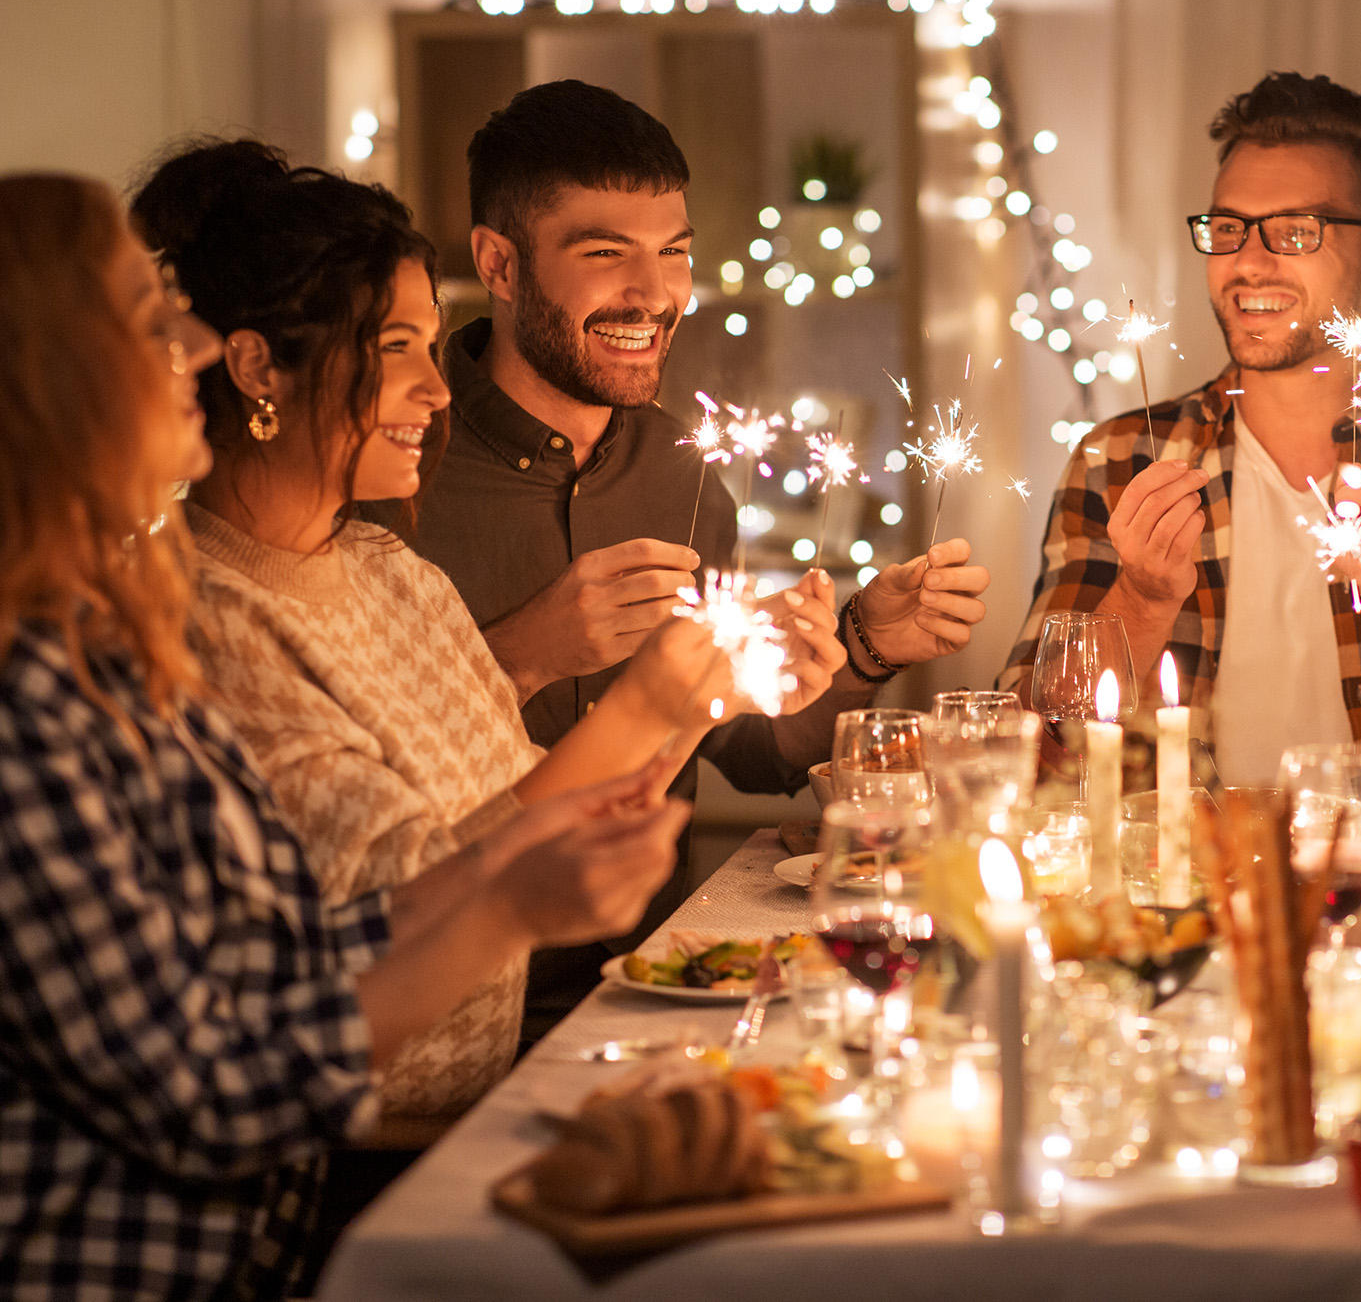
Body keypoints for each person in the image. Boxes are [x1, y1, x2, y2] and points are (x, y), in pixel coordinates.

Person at [0, 171, 694, 1301]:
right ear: (38, 378)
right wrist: (514, 894)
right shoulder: (48, 689)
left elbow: (286, 955)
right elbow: (204, 1089)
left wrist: (692, 706)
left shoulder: (117, 640)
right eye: (142, 316)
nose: (189, 342)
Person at [130, 139, 839, 1125]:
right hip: (364, 1146)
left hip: (501, 1091)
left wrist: (712, 692)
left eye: (431, 344)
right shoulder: (200, 617)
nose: (434, 387)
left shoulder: (391, 572)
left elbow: (537, 807)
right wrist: (642, 702)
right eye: (394, 349)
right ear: (256, 368)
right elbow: (414, 899)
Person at [361, 80, 990, 1038]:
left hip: (651, 987)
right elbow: (349, 789)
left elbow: (753, 751)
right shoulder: (394, 460)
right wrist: (527, 649)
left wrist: (864, 642)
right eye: (605, 254)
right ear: (497, 262)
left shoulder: (680, 473)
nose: (654, 296)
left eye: (674, 253)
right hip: (434, 1007)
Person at [998, 71, 1361, 779]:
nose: (1247, 262)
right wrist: (1143, 600)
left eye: (1296, 232)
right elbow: (1027, 755)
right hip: (1178, 884)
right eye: (1227, 228)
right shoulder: (1120, 461)